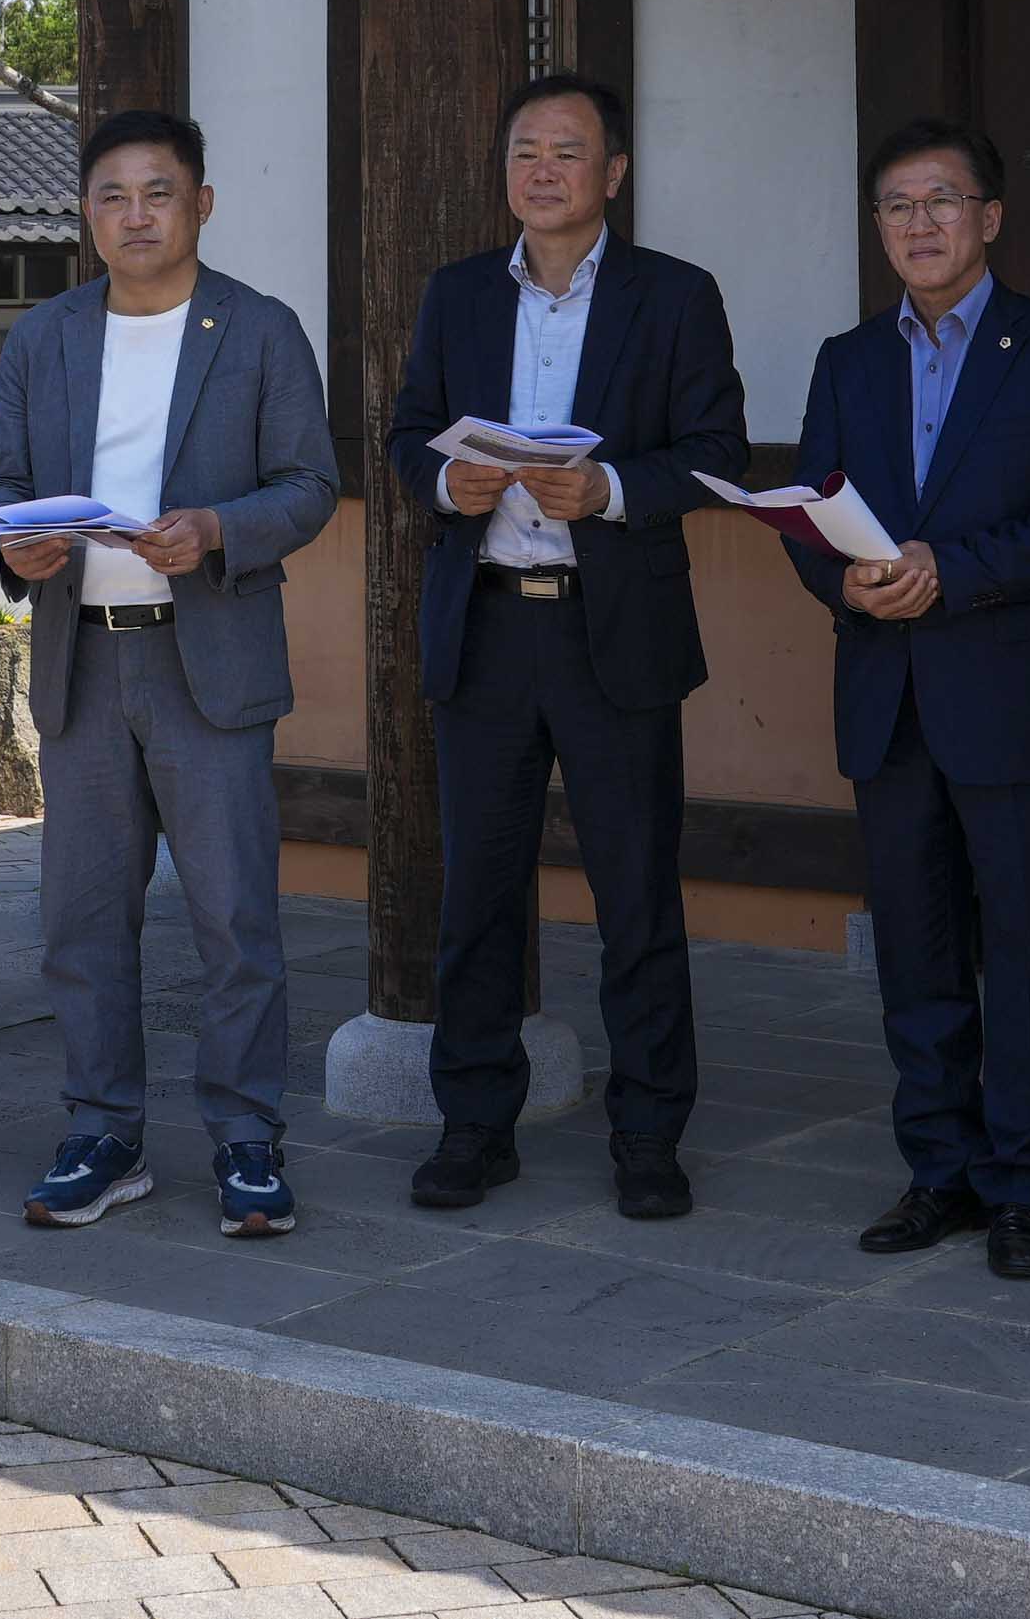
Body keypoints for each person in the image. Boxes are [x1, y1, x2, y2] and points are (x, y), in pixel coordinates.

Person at [379, 72, 748, 1222]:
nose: (542, 169)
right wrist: (448, 478)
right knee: (477, 890)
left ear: (613, 175)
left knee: (635, 892)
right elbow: (402, 435)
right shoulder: (456, 296)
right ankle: (474, 1123)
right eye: (525, 150)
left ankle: (648, 1133)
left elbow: (714, 449)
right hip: (485, 623)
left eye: (567, 152)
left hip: (611, 632)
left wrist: (613, 487)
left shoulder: (673, 296)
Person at [0, 109, 340, 1237]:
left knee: (234, 919)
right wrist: (12, 544)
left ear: (200, 204)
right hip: (83, 664)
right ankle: (102, 1131)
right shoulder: (43, 337)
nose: (134, 215)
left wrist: (218, 529)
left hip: (208, 659)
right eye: (111, 196)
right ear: (86, 214)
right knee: (81, 920)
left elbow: (307, 483)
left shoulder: (260, 329)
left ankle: (245, 1137)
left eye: (157, 192)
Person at [777, 118, 1030, 1280]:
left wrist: (950, 571)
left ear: (989, 216)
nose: (916, 225)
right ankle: (937, 1169)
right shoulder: (845, 359)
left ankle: (1023, 1185)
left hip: (1014, 694)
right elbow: (804, 511)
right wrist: (845, 583)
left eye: (939, 201)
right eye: (894, 206)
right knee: (915, 950)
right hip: (886, 691)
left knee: (1026, 952)